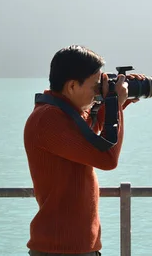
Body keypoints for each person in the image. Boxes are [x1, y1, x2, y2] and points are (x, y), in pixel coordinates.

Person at [23, 45, 143, 256]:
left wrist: (119, 103)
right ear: (71, 86)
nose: (98, 92)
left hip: (77, 248)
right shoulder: (48, 119)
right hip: (59, 250)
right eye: (96, 86)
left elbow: (90, 140)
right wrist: (114, 103)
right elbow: (107, 158)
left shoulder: (62, 113)